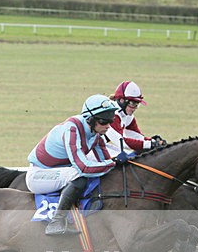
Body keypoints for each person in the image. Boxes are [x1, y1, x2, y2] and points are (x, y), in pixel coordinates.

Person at [26, 94, 131, 236]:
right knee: (79, 176)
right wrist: (113, 162)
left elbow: (105, 163)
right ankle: (56, 222)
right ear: (90, 119)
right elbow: (83, 167)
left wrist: (120, 162)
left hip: (60, 171)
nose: (108, 126)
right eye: (103, 122)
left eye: (110, 122)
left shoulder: (96, 135)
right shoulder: (72, 129)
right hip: (38, 175)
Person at [104, 80, 165, 157]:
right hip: (87, 148)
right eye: (132, 103)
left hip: (99, 145)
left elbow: (136, 136)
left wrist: (153, 141)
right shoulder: (112, 114)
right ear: (122, 100)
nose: (134, 108)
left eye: (137, 104)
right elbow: (122, 142)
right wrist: (150, 144)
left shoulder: (127, 115)